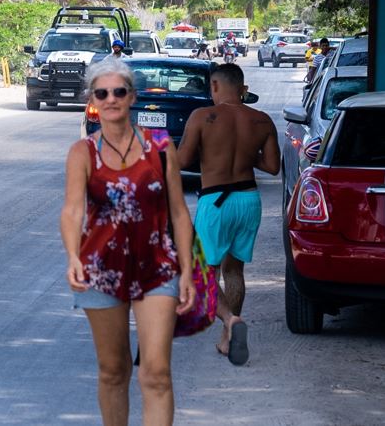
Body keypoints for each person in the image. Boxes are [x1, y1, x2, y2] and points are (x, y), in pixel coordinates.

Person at [61, 57, 196, 426]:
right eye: (102, 93)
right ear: (93, 99)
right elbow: (73, 211)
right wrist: (72, 255)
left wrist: (186, 270)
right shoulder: (82, 153)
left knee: (155, 372)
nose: (110, 99)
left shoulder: (161, 148)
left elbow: (179, 212)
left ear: (132, 96)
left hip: (157, 268)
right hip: (100, 270)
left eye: (118, 91)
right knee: (113, 370)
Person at [176, 63, 280, 366]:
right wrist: (246, 153)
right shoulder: (261, 120)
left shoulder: (201, 117)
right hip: (248, 199)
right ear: (243, 88)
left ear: (215, 86)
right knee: (234, 271)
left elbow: (182, 159)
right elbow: (273, 167)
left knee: (204, 275)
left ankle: (230, 323)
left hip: (216, 201)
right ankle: (227, 338)